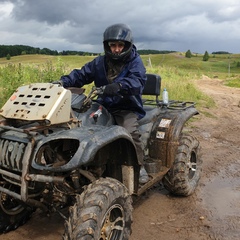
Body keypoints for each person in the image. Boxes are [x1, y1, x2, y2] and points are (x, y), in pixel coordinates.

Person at [58, 23, 149, 184]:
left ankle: (139, 166)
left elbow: (137, 81)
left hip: (126, 107)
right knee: (78, 124)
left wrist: (119, 86)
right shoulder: (100, 62)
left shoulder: (135, 62)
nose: (116, 49)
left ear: (127, 45)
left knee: (129, 132)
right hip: (103, 105)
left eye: (120, 45)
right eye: (112, 45)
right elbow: (81, 75)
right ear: (107, 46)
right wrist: (61, 83)